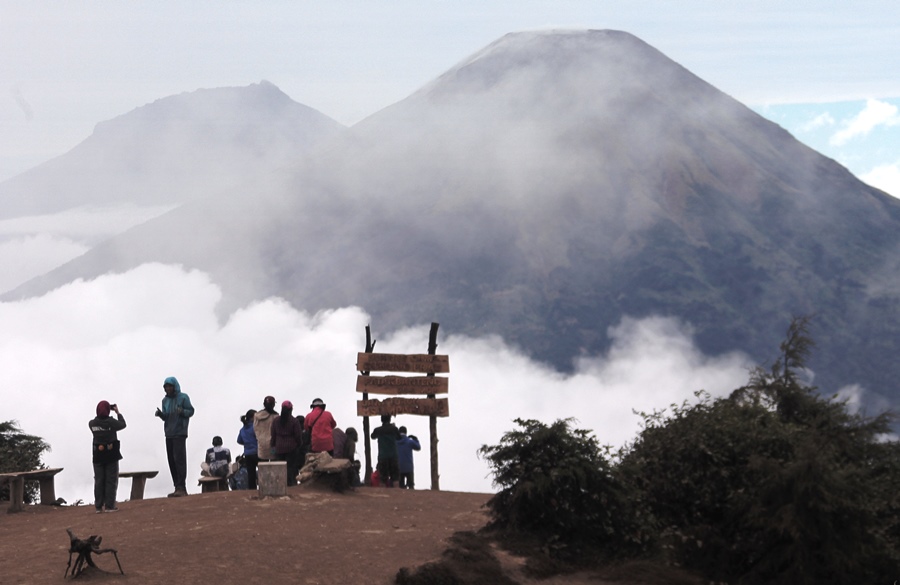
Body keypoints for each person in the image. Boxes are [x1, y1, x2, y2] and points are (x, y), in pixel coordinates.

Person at [154, 376, 195, 497]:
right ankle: (177, 486)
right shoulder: (164, 401)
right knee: (171, 460)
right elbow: (166, 417)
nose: (168, 389)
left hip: (180, 432)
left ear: (174, 386)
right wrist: (161, 415)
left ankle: (182, 487)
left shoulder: (183, 397)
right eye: (166, 387)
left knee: (179, 459)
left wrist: (182, 411)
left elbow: (191, 411)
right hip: (169, 433)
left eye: (169, 386)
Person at [89, 400, 126, 513]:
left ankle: (98, 507)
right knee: (111, 479)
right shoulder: (111, 422)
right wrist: (118, 413)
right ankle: (110, 506)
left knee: (99, 480)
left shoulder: (92, 423)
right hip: (111, 454)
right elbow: (123, 424)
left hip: (98, 455)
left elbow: (96, 422)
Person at [270, 400, 304, 486]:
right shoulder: (294, 421)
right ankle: (291, 486)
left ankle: (280, 485)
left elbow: (273, 435)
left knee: (280, 469)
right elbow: (298, 436)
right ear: (291, 410)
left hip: (279, 448)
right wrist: (299, 445)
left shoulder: (276, 421)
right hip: (291, 449)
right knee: (291, 469)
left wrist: (273, 447)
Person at [371, 414, 401, 487]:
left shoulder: (378, 430)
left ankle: (383, 495)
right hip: (393, 455)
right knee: (395, 478)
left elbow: (372, 436)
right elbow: (399, 437)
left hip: (383, 456)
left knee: (383, 478)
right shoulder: (394, 429)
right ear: (390, 419)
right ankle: (397, 495)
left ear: (381, 420)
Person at [236, 409, 259, 489]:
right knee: (263, 472)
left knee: (251, 474)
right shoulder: (255, 427)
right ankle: (264, 489)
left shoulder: (242, 430)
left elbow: (239, 440)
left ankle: (252, 491)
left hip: (248, 454)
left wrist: (247, 443)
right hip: (257, 452)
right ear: (252, 418)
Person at [253, 396, 278, 462]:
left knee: (263, 467)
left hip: (261, 445)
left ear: (264, 404)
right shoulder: (276, 416)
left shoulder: (256, 416)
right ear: (273, 405)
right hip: (273, 445)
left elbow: (255, 429)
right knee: (274, 467)